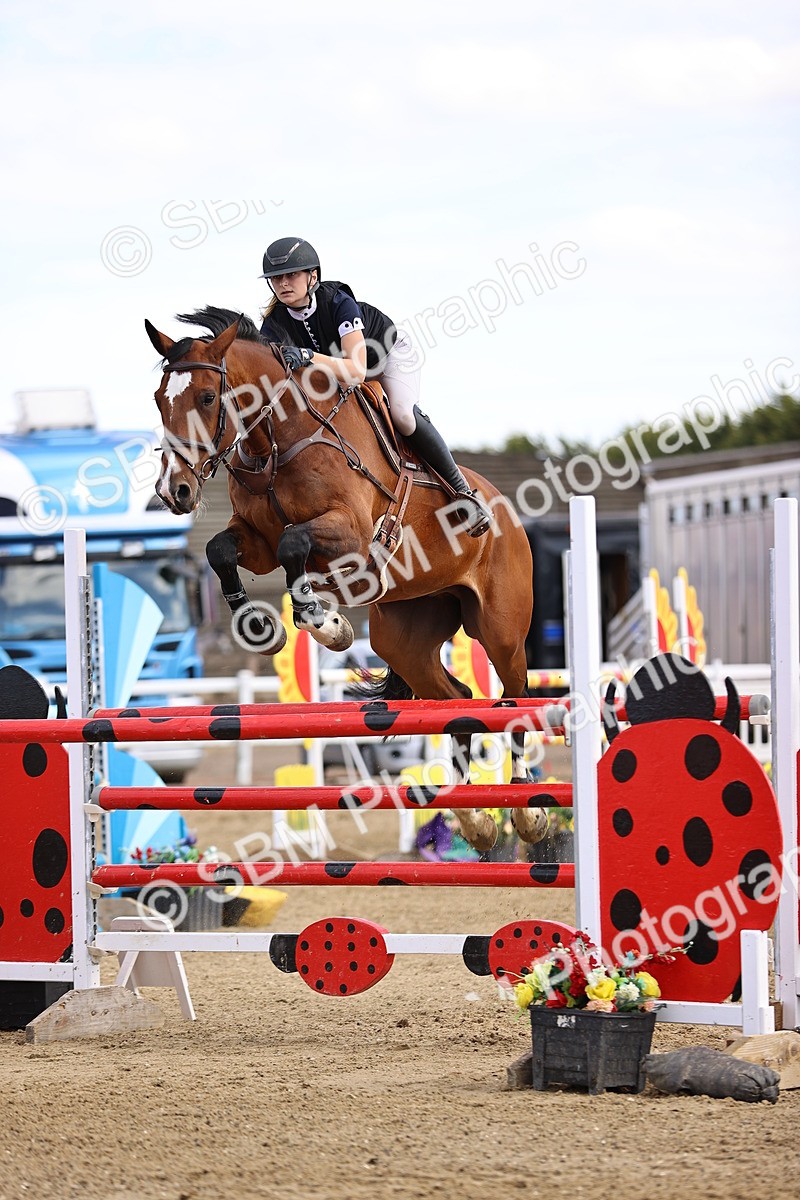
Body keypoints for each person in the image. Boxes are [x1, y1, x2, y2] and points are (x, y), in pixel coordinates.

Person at [258, 237, 492, 537]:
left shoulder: (339, 302)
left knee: (403, 415)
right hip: (333, 374)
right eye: (276, 278)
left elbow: (355, 373)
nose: (283, 283)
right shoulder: (273, 325)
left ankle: (463, 493)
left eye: (291, 275)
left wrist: (307, 356)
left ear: (312, 276)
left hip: (386, 358)